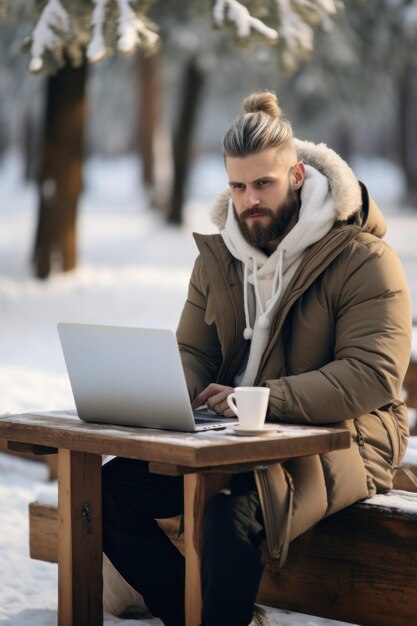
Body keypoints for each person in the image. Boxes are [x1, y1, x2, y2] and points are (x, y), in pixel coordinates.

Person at [102, 91, 412, 626]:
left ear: (296, 175)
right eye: (238, 186)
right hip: (234, 432)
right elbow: (194, 350)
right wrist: (169, 393)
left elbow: (374, 375)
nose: (250, 201)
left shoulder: (364, 258)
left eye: (263, 184)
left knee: (232, 517)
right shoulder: (220, 258)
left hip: (345, 432)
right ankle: (205, 616)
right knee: (107, 493)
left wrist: (262, 400)